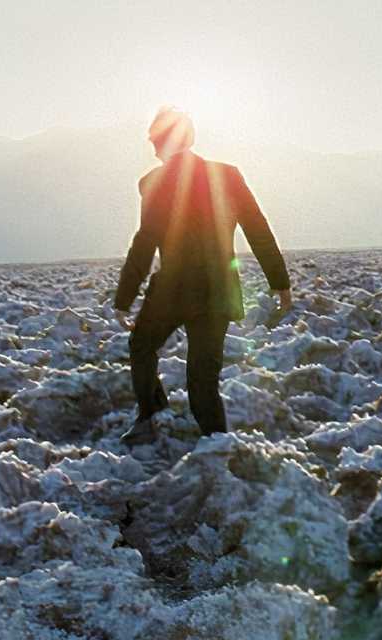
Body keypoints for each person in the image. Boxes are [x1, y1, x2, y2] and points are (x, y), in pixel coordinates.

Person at [113, 106, 294, 445]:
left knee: (141, 346)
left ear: (165, 142)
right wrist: (279, 282)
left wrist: (125, 298)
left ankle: (150, 416)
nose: (151, 147)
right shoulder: (228, 175)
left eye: (154, 139)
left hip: (170, 291)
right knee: (202, 378)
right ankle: (216, 445)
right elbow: (259, 230)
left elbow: (145, 242)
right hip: (217, 292)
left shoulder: (152, 182)